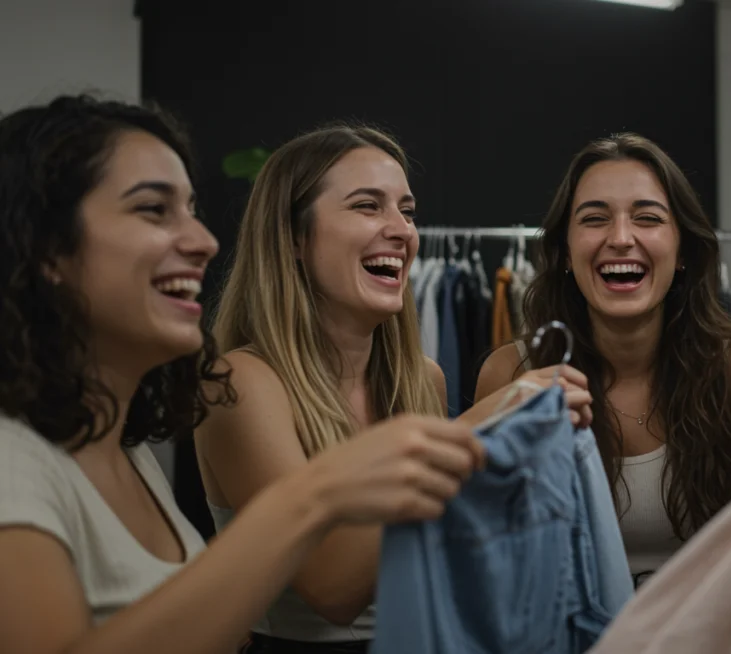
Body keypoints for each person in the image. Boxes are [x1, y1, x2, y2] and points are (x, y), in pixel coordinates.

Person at [0, 95, 484, 654]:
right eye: (154, 209)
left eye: (407, 210)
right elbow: (324, 591)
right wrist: (324, 492)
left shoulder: (122, 451)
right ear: (47, 252)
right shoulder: (16, 460)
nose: (204, 241)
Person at [196, 124, 593, 652]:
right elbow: (330, 588)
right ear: (293, 236)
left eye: (406, 211)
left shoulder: (422, 380)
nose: (402, 230)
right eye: (368, 206)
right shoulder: (240, 384)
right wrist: (477, 429)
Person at [475, 133, 731, 586]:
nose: (621, 239)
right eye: (595, 219)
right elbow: (489, 559)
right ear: (563, 251)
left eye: (647, 218)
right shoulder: (511, 374)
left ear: (681, 251)